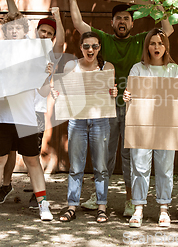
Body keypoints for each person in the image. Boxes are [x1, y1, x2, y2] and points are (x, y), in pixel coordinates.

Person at [67, 0, 174, 217]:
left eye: (126, 18)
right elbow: (78, 25)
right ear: (112, 23)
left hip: (137, 107)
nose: (122, 22)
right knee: (105, 152)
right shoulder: (103, 39)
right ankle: (99, 195)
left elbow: (167, 30)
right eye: (118, 18)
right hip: (107, 105)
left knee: (130, 154)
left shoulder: (140, 41)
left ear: (132, 23)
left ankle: (129, 199)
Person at [0, 0, 54, 221]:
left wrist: (48, 75)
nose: (14, 30)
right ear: (5, 31)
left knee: (32, 160)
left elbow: (41, 91)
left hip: (26, 115)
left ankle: (43, 205)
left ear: (24, 30)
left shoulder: (34, 50)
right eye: (10, 28)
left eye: (18, 27)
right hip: (1, 115)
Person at [0, 0, 65, 210]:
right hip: (12, 106)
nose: (45, 34)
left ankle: (38, 194)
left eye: (49, 33)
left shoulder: (49, 53)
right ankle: (5, 185)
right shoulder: (25, 45)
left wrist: (58, 18)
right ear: (35, 32)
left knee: (32, 155)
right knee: (7, 151)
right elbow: (14, 17)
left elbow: (62, 41)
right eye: (42, 31)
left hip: (36, 110)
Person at [123, 28, 178, 228]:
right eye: (152, 43)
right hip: (142, 126)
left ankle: (164, 209)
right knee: (139, 167)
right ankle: (138, 208)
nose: (156, 47)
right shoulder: (137, 69)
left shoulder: (174, 70)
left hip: (166, 127)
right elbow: (130, 92)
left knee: (165, 168)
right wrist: (127, 96)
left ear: (166, 47)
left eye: (160, 43)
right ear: (147, 46)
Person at [52, 32, 117, 223]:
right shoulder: (72, 66)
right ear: (80, 47)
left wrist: (113, 92)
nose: (90, 50)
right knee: (76, 166)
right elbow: (62, 89)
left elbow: (110, 93)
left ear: (99, 48)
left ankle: (102, 207)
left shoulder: (107, 67)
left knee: (101, 166)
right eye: (86, 46)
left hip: (100, 120)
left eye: (95, 46)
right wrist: (57, 95)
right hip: (77, 120)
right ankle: (72, 206)